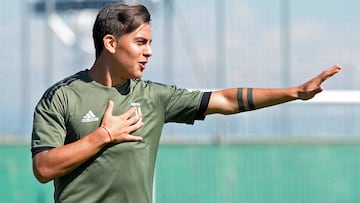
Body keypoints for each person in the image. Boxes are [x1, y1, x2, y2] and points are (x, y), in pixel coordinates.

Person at [31, 3, 341, 203]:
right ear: (110, 43)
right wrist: (103, 136)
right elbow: (43, 169)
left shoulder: (153, 96)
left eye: (150, 43)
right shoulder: (61, 97)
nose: (149, 51)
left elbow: (223, 99)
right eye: (140, 42)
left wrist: (293, 92)